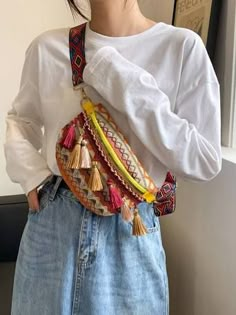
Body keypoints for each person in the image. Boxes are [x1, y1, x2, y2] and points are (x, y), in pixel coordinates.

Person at [4, 0, 222, 314]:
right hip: (54, 221)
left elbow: (204, 159)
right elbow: (20, 120)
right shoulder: (46, 48)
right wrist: (32, 176)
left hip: (130, 225)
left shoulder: (181, 47)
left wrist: (125, 82)